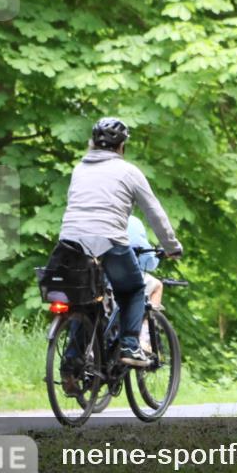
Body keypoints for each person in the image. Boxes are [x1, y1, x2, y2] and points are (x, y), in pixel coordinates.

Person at [58, 118, 181, 393]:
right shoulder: (128, 171)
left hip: (69, 243)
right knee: (135, 288)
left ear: (92, 143)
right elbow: (154, 212)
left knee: (85, 302)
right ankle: (129, 345)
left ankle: (71, 366)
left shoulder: (79, 169)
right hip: (109, 241)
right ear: (121, 146)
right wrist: (171, 246)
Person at [127, 215, 163, 352]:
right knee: (157, 286)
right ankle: (143, 338)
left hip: (91, 273)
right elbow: (148, 260)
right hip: (122, 275)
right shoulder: (132, 221)